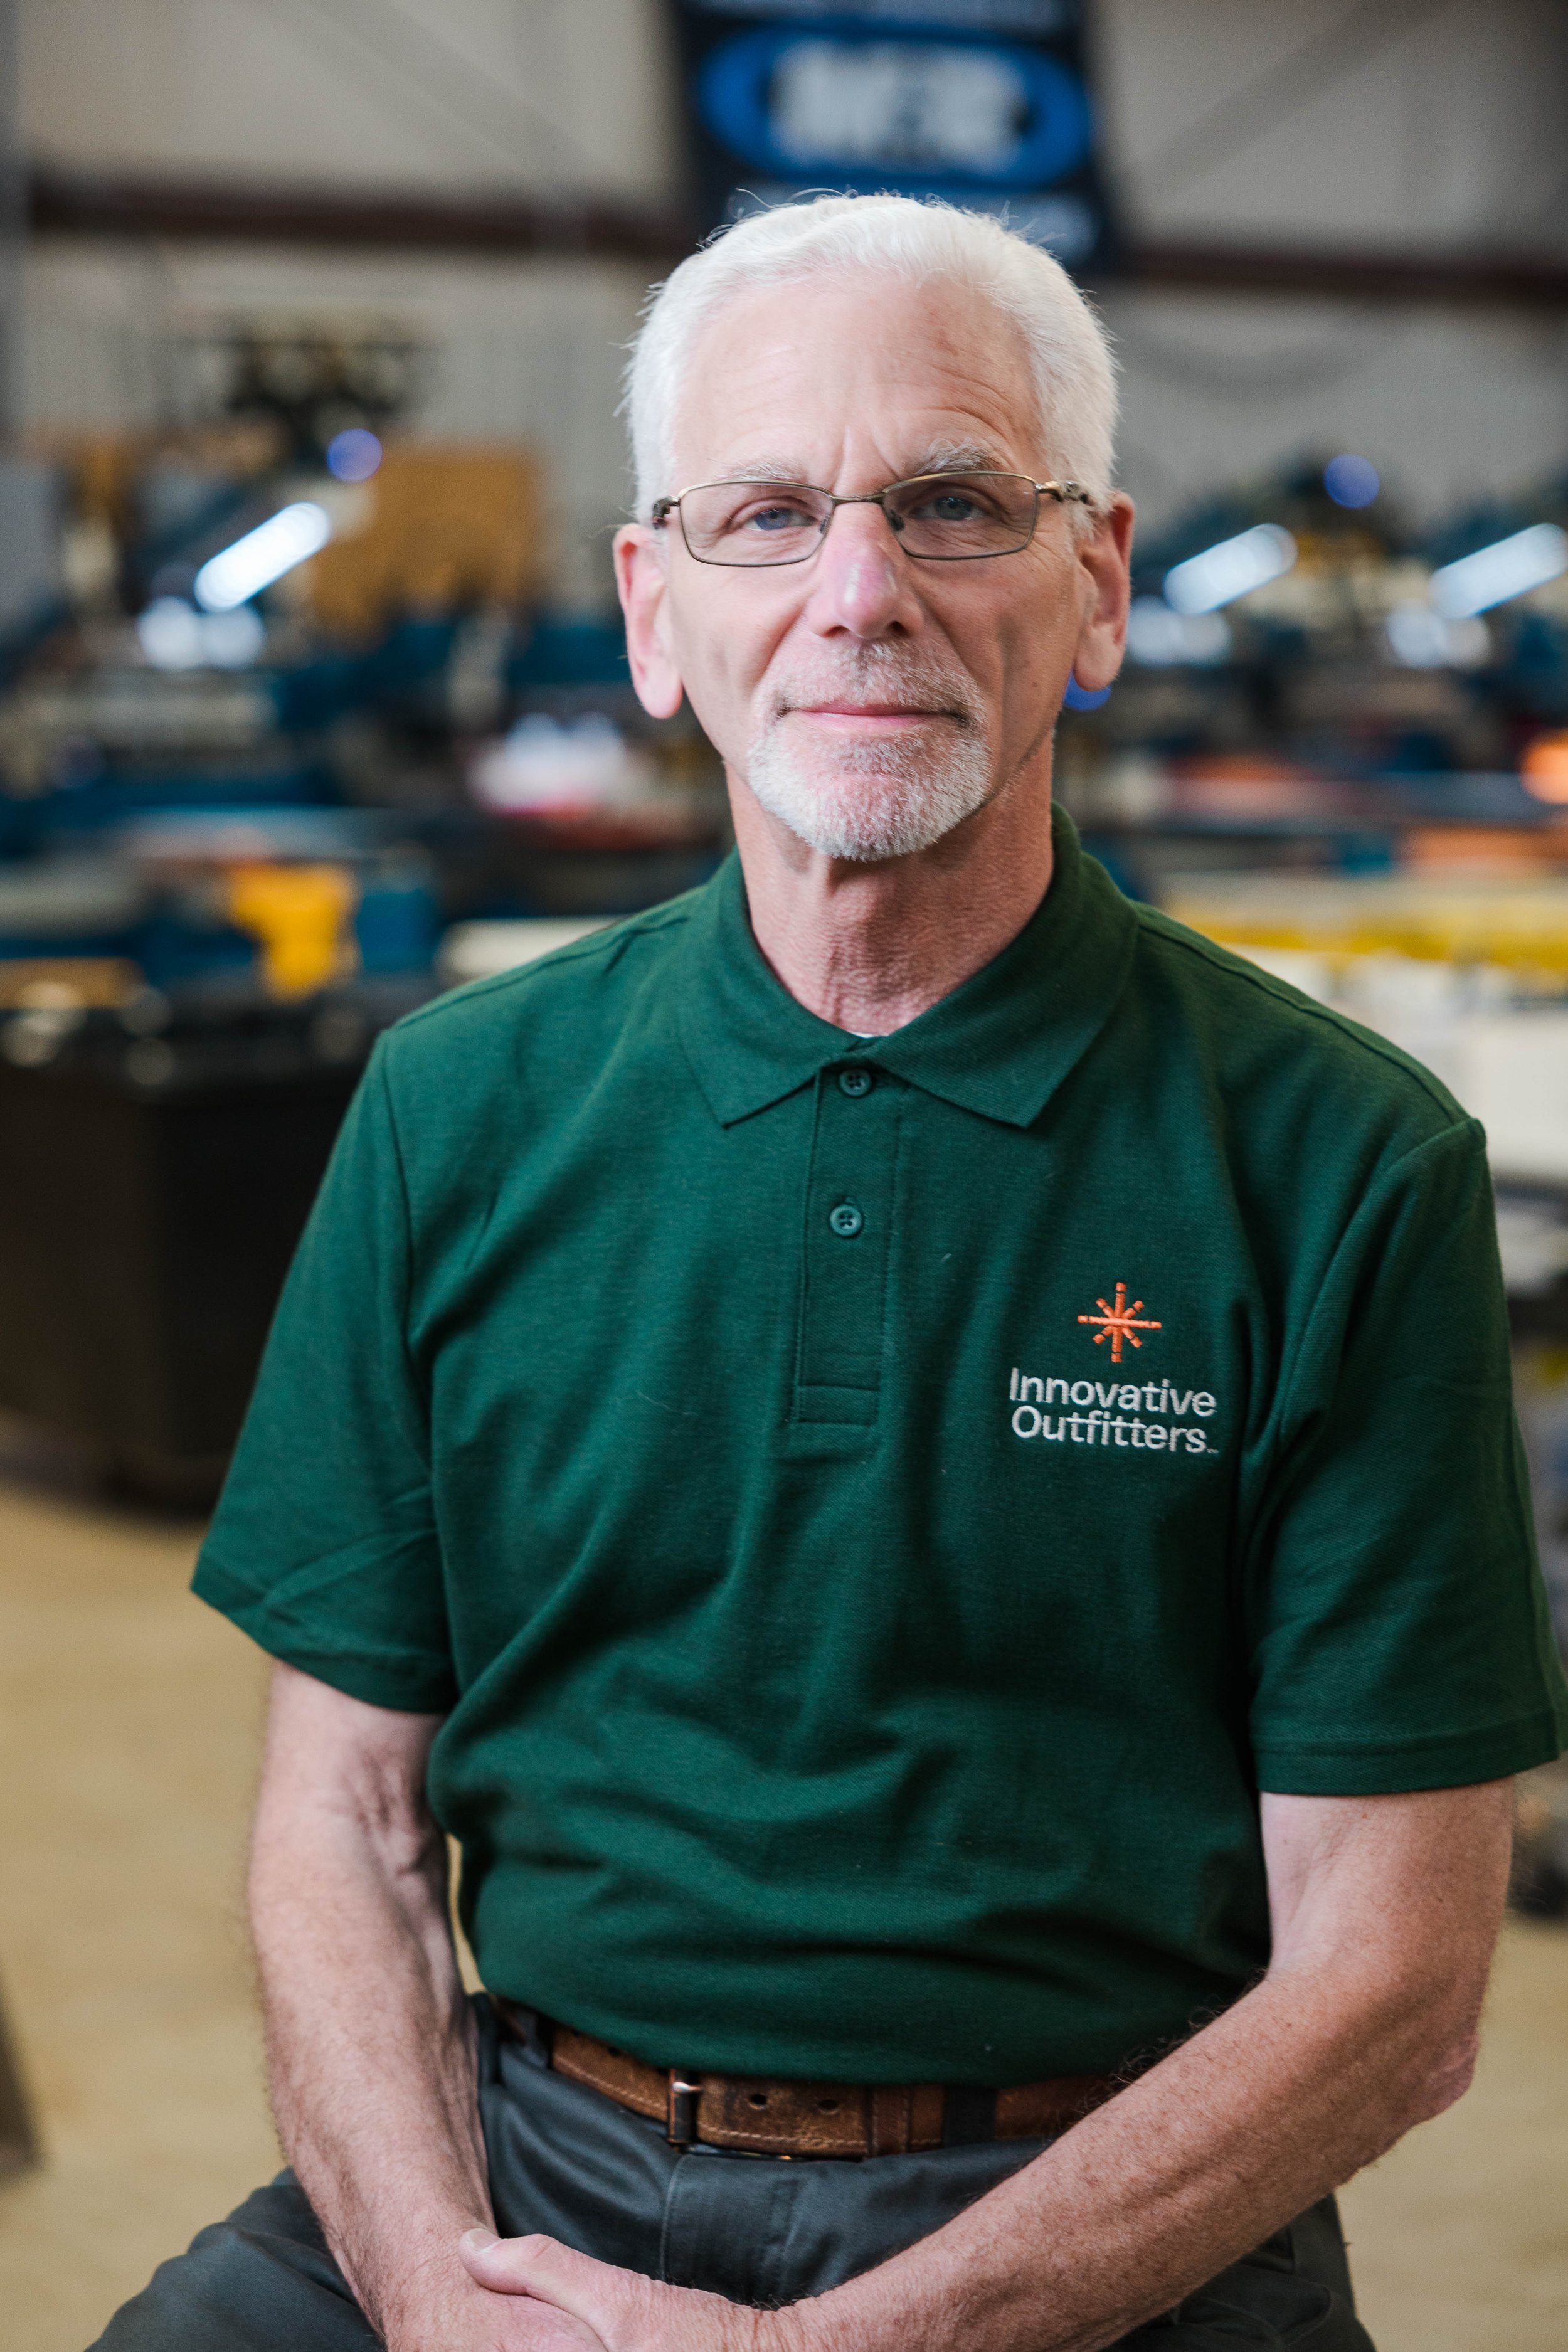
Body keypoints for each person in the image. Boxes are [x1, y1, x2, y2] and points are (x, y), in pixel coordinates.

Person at [96, 195, 1567, 2352]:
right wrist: (425, 2284)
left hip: (1094, 2213)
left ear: (1097, 587)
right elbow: (342, 1810)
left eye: (954, 504)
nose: (857, 595)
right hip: (523, 2169)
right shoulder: (456, 1109)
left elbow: (1395, 1981)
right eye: (766, 514)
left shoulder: (1337, 1164)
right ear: (651, 608)